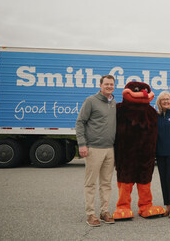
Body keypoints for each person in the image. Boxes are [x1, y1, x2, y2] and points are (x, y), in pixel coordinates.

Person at [76, 74, 116, 227]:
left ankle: (104, 211)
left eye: (111, 84)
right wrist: (82, 144)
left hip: (109, 149)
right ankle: (90, 214)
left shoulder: (113, 103)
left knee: (106, 183)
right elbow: (80, 122)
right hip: (94, 148)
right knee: (91, 183)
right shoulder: (91, 101)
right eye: (106, 84)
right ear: (100, 85)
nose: (109, 87)